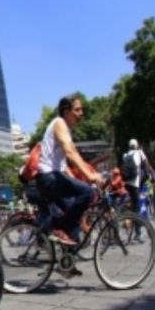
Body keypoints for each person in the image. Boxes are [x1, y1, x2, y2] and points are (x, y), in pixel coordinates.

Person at [34, 95, 104, 252]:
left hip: (53, 177)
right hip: (48, 177)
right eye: (77, 110)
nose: (81, 113)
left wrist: (83, 178)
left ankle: (67, 261)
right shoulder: (59, 123)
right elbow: (70, 152)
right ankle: (52, 229)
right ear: (66, 111)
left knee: (74, 213)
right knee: (87, 192)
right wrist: (89, 176)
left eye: (82, 110)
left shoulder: (66, 130)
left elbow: (69, 161)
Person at [121, 139, 152, 218]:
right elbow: (146, 165)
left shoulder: (125, 155)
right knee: (137, 205)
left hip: (126, 182)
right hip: (135, 183)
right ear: (137, 145)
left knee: (130, 201)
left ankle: (127, 216)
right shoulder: (140, 152)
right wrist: (149, 176)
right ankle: (137, 227)